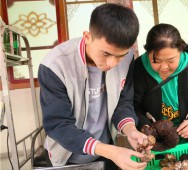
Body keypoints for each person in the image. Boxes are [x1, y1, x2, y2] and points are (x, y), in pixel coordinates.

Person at [38, 3, 149, 170]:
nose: (112, 63)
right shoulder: (55, 66)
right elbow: (59, 124)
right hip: (66, 157)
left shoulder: (127, 60)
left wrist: (130, 129)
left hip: (106, 153)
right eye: (106, 53)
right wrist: (111, 151)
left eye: (120, 55)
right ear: (87, 36)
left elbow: (123, 103)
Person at [134, 23, 188, 144]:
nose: (164, 67)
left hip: (186, 137)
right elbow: (133, 105)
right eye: (156, 61)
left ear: (181, 51)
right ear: (147, 53)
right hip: (153, 139)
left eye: (171, 60)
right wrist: (145, 128)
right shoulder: (139, 68)